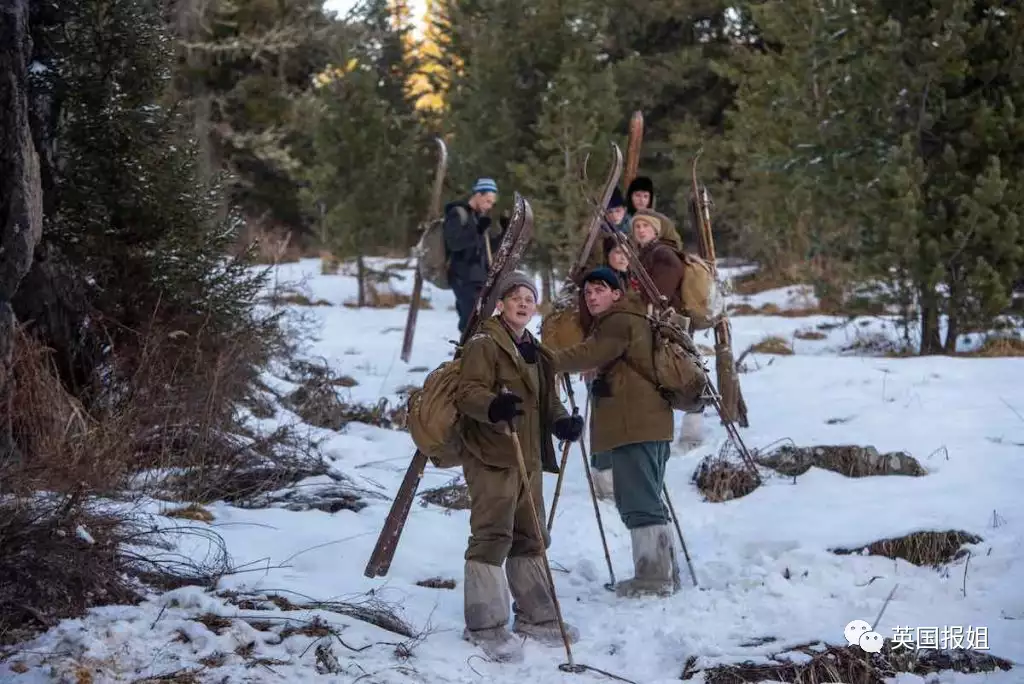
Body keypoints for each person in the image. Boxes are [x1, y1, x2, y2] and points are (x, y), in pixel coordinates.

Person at [454, 272, 584, 661]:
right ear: (500, 304)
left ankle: (537, 616)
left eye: (529, 298)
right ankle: (485, 625)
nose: (524, 303)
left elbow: (548, 401)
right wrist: (493, 406)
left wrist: (562, 423)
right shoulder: (484, 343)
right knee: (492, 535)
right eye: (515, 297)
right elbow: (468, 392)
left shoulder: (536, 351)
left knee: (531, 535)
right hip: (492, 454)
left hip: (528, 457)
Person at [549, 267, 681, 598]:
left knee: (638, 500)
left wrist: (543, 360)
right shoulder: (631, 319)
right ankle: (665, 572)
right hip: (649, 423)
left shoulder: (619, 321)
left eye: (600, 290)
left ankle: (653, 579)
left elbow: (587, 353)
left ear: (617, 294)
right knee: (647, 496)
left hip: (634, 425)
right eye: (587, 293)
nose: (592, 297)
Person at [630, 209, 706, 449]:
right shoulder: (647, 253)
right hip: (663, 323)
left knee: (679, 373)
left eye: (646, 226)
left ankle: (692, 431)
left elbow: (661, 291)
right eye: (637, 226)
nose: (641, 230)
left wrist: (642, 299)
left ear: (656, 230)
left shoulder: (662, 253)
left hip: (669, 325)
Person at [444, 178, 502, 334]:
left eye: (492, 203)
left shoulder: (478, 217)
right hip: (463, 278)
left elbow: (483, 249)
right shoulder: (457, 214)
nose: (489, 206)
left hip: (479, 278)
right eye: (488, 201)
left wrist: (503, 234)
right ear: (478, 195)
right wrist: (478, 230)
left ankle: (475, 348)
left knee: (481, 322)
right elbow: (455, 243)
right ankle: (467, 348)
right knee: (471, 323)